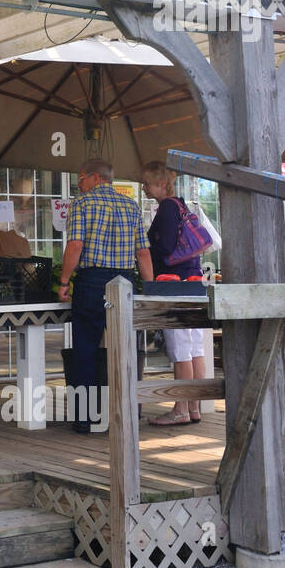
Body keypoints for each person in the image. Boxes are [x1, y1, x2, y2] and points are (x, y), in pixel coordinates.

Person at [58, 159, 154, 432]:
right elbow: (143, 253)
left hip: (91, 282)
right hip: (125, 282)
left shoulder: (82, 203)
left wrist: (64, 281)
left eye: (81, 178)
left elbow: (75, 245)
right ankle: (127, 414)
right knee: (125, 350)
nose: (79, 183)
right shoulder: (131, 206)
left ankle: (85, 420)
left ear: (96, 178)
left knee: (85, 350)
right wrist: (149, 289)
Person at [140, 161, 211, 425]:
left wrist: (146, 249)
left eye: (146, 183)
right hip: (192, 281)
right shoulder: (181, 205)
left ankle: (180, 409)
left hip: (174, 282)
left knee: (180, 348)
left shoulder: (167, 208)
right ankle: (194, 407)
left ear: (160, 183)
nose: (144, 188)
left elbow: (166, 246)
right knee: (195, 348)